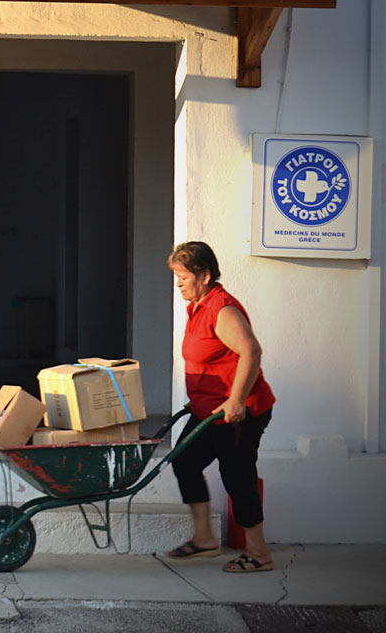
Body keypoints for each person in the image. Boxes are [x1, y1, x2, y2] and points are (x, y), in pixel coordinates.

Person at [164, 241, 276, 573]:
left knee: (237, 476)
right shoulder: (198, 306)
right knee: (184, 460)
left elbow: (251, 352)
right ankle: (204, 539)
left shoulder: (222, 308)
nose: (178, 283)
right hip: (208, 412)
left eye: (183, 277)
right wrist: (200, 395)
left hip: (240, 412)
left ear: (205, 275)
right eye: (177, 276)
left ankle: (258, 553)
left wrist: (237, 399)